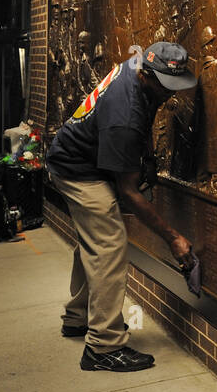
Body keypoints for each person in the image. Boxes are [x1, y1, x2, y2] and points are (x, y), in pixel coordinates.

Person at [46, 42, 197, 372]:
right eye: (164, 86)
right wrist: (172, 237)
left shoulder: (138, 68)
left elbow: (145, 112)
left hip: (81, 160)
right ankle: (103, 346)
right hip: (76, 170)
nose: (170, 94)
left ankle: (79, 317)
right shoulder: (124, 114)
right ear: (146, 74)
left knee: (94, 241)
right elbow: (128, 192)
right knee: (109, 245)